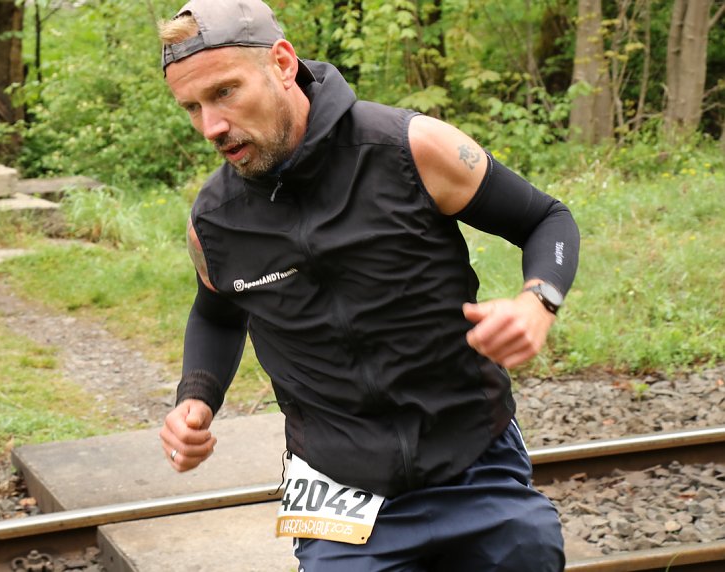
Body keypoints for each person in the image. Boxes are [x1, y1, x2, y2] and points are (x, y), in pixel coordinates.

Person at [157, 1, 580, 570]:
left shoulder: (410, 148)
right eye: (192, 107)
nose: (211, 126)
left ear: (282, 64)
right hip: (337, 486)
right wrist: (195, 399)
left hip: (472, 453)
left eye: (225, 93)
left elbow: (546, 219)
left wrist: (539, 301)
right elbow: (217, 312)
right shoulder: (214, 221)